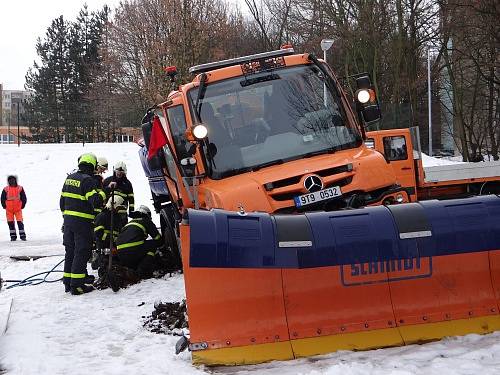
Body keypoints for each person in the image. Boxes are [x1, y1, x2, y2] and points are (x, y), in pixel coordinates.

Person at [60, 153, 105, 295]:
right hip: (82, 223)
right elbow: (96, 201)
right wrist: (105, 192)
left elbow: (62, 202)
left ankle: (68, 282)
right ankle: (77, 286)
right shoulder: (87, 180)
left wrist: (66, 218)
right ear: (92, 165)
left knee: (70, 252)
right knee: (82, 252)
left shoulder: (69, 178)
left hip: (68, 222)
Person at [115, 205, 162, 279]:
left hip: (121, 255)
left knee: (142, 247)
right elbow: (158, 239)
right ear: (147, 214)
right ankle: (142, 271)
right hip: (134, 251)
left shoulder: (128, 224)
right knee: (153, 244)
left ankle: (133, 270)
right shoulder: (146, 221)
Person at [1, 175, 27, 241]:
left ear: (15, 180)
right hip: (9, 210)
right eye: (10, 180)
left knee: (20, 222)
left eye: (13, 180)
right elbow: (2, 198)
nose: (11, 181)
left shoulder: (20, 188)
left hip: (18, 209)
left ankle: (22, 236)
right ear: (8, 181)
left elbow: (24, 197)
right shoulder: (6, 189)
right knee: (10, 223)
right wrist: (4, 205)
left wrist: (22, 205)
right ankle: (13, 236)